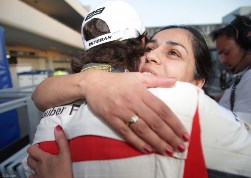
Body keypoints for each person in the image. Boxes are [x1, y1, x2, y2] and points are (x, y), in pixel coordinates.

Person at [27, 24, 251, 178]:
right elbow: (40, 95)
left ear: (198, 83)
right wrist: (92, 82)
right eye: (150, 48)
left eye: (173, 53)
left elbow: (40, 95)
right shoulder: (107, 90)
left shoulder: (193, 105)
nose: (152, 56)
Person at [210, 15, 251, 124]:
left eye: (226, 52)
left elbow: (243, 126)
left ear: (247, 43)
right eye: (220, 54)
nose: (222, 60)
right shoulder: (244, 74)